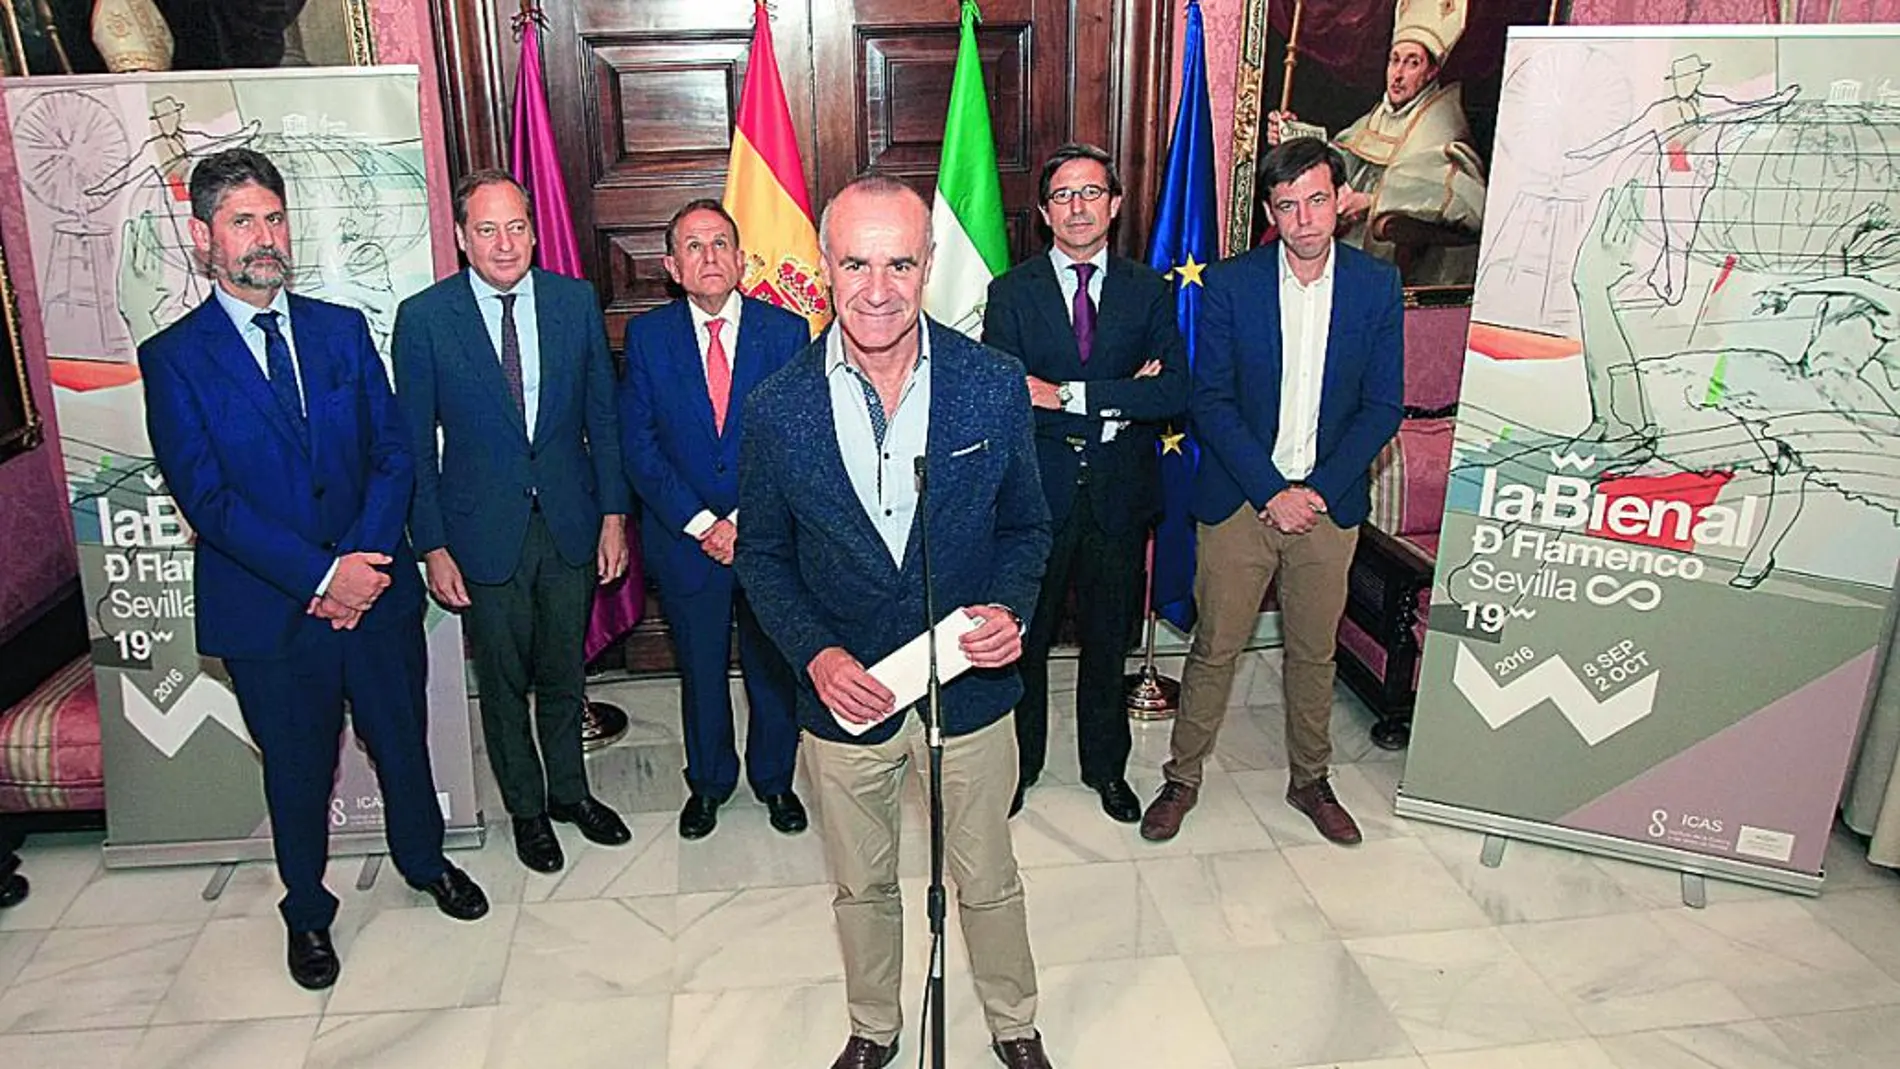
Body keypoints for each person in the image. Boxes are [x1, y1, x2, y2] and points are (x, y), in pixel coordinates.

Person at [140, 148, 488, 990]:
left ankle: (424, 862)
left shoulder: (340, 329)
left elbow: (394, 453)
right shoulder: (174, 356)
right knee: (298, 770)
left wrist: (362, 564)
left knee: (402, 741)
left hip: (377, 591)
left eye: (273, 216)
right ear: (204, 238)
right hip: (272, 614)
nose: (263, 237)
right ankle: (307, 908)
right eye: (241, 221)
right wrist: (321, 579)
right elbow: (209, 498)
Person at [736, 176, 1057, 1069]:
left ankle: (1013, 1023)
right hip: (845, 698)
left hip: (970, 686)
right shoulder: (776, 406)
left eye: (899, 263)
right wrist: (815, 651)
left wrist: (1010, 608)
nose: (877, 289)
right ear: (826, 268)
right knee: (862, 884)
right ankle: (874, 1028)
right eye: (856, 264)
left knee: (987, 875)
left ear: (929, 265)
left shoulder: (992, 386)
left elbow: (1027, 526)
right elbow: (761, 556)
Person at [1140, 138, 1403, 847]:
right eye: (1288, 205)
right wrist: (1270, 491)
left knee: (1314, 652)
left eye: (1318, 200)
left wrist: (1313, 491)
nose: (1305, 218)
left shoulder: (1376, 287)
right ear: (1269, 212)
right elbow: (1212, 400)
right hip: (1240, 499)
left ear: (1340, 201)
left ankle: (1310, 778)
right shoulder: (1231, 284)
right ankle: (1182, 777)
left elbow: (1383, 406)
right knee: (1215, 646)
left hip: (1328, 503)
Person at [392, 170, 632, 875]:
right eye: (488, 229)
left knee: (565, 668)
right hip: (479, 533)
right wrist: (431, 544)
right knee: (502, 681)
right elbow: (413, 444)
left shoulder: (573, 302)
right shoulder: (426, 318)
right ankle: (527, 810)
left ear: (534, 230)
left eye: (517, 226)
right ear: (463, 238)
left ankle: (570, 793)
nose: (506, 243)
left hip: (568, 519)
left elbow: (603, 420)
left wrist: (614, 515)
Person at [982, 143, 1187, 823]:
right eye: (1063, 196)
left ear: (1116, 205)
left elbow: (1175, 395)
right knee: (1026, 642)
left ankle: (1107, 768)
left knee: (1107, 640)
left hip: (1118, 496)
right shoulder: (1010, 293)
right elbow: (1009, 393)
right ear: (1044, 212)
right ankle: (1022, 765)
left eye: (1091, 193)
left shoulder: (1148, 290)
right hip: (1035, 499)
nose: (1078, 207)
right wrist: (1125, 391)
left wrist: (1068, 396)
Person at [620, 198, 808, 840]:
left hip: (767, 538)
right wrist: (702, 522)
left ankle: (776, 782)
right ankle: (709, 783)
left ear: (741, 259)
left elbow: (793, 441)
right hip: (686, 542)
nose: (709, 257)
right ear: (672, 266)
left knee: (772, 667)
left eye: (721, 243)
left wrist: (743, 520)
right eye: (694, 247)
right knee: (700, 667)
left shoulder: (786, 333)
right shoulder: (647, 337)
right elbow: (639, 446)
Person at [1267, 0, 1485, 286]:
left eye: (1412, 63)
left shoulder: (1443, 128)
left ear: (1431, 72)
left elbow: (1466, 204)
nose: (1398, 74)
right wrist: (1292, 136)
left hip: (1403, 263)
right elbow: (1342, 155)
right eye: (1395, 60)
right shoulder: (1382, 115)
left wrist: (1372, 203)